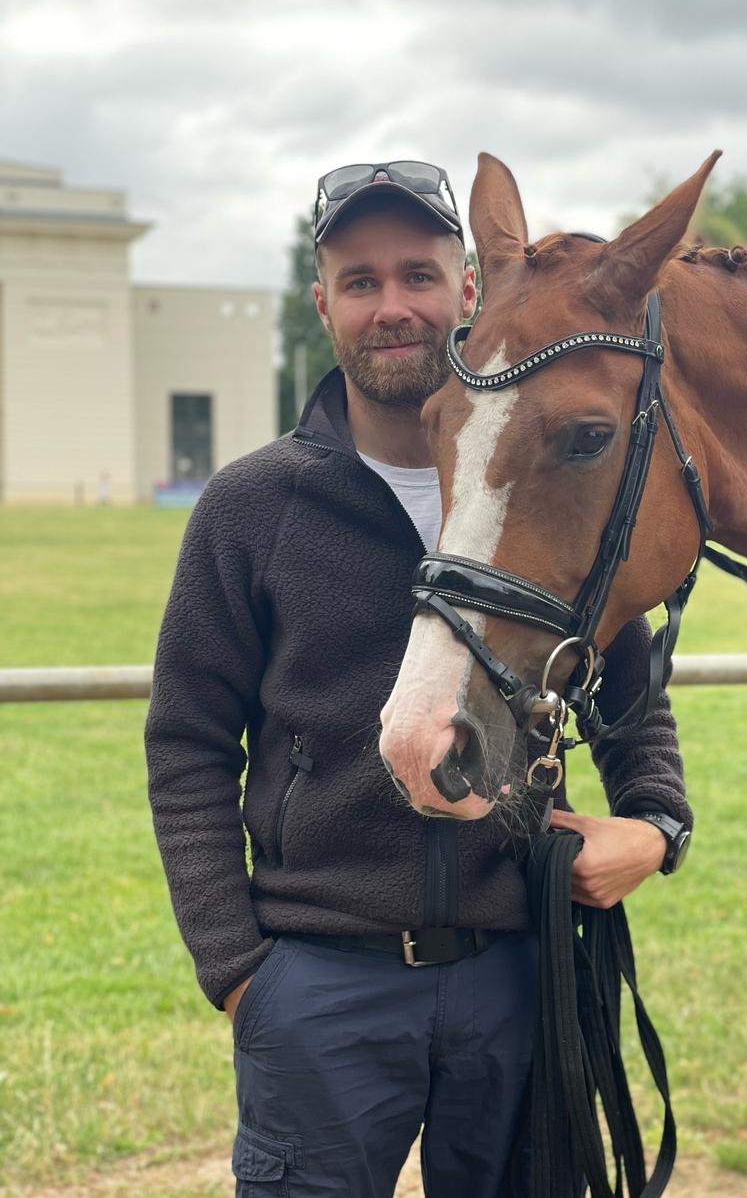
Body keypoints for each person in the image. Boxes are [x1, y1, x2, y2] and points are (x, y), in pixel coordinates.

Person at [144, 159, 694, 1198]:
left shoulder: (537, 473)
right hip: (319, 985)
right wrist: (240, 973)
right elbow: (187, 743)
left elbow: (625, 680)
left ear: (467, 289)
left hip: (518, 975)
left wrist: (657, 824)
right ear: (323, 305)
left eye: (418, 275)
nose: (391, 306)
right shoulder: (251, 506)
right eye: (360, 281)